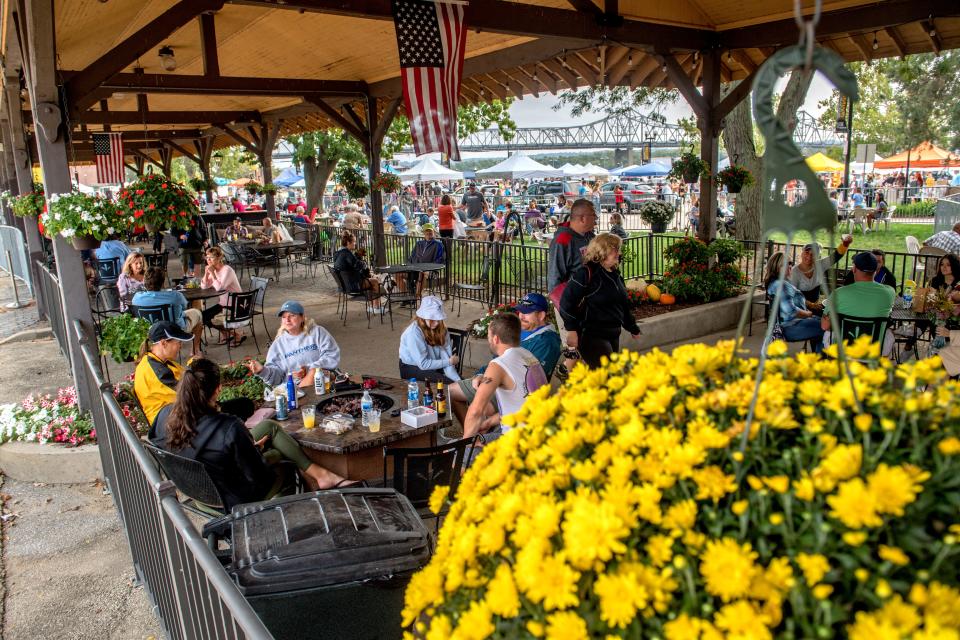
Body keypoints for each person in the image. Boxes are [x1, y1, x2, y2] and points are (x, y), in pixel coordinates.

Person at [150, 358, 346, 509]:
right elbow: (260, 478)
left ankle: (321, 475)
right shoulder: (228, 427)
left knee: (269, 426)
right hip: (231, 496)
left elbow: (157, 443)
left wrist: (249, 448)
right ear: (218, 390)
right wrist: (261, 453)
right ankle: (282, 525)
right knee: (285, 464)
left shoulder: (165, 414)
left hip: (195, 491)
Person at [134, 321, 254, 427]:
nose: (180, 346)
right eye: (178, 342)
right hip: (176, 425)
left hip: (183, 415)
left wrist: (196, 364)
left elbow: (186, 378)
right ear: (164, 343)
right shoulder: (156, 372)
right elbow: (189, 395)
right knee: (240, 409)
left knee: (243, 406)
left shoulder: (158, 361)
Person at [559, 233, 642, 368]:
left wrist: (632, 327)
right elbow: (566, 303)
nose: (618, 253)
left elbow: (623, 305)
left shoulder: (615, 274)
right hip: (592, 335)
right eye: (614, 249)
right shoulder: (586, 273)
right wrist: (572, 329)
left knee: (607, 378)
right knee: (608, 377)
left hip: (613, 333)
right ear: (602, 250)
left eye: (618, 249)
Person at [461, 313, 547, 440]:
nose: (488, 340)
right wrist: (488, 422)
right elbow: (520, 406)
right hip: (539, 433)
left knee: (451, 452)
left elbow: (476, 411)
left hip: (517, 441)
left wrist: (465, 446)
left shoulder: (498, 365)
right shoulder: (528, 355)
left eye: (488, 336)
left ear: (495, 339)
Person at [548, 198, 597, 378]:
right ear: (582, 218)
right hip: (569, 303)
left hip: (588, 302)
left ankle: (581, 382)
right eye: (593, 215)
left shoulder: (589, 235)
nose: (597, 218)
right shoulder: (563, 240)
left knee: (587, 345)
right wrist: (565, 310)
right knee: (573, 346)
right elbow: (554, 278)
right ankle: (566, 378)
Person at [246, 300, 340, 388]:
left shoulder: (317, 332)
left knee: (314, 372)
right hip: (293, 387)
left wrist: (308, 369)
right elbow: (276, 379)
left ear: (302, 317)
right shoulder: (278, 345)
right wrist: (262, 371)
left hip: (324, 379)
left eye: (292, 315)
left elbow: (331, 356)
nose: (287, 320)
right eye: (284, 317)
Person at [820, 252, 895, 353]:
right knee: (888, 336)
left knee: (828, 334)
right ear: (876, 271)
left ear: (854, 269)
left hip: (843, 351)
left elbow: (824, 326)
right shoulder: (889, 292)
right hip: (871, 350)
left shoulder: (838, 294)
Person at [132, 267, 205, 357]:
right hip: (176, 329)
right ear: (162, 283)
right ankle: (195, 351)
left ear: (145, 281)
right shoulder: (175, 296)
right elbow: (184, 306)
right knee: (197, 313)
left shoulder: (136, 298)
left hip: (150, 331)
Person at [763, 252, 825, 353]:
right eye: (788, 263)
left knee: (822, 323)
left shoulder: (775, 283)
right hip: (789, 327)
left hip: (785, 324)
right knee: (826, 327)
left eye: (791, 263)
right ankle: (822, 361)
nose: (791, 266)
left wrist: (810, 307)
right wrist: (809, 314)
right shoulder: (781, 285)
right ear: (778, 267)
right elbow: (792, 311)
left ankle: (818, 358)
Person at [398, 296, 460, 383]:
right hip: (412, 367)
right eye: (432, 319)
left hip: (434, 364)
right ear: (423, 317)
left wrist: (455, 377)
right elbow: (423, 364)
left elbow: (447, 354)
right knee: (448, 385)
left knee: (458, 384)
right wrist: (449, 362)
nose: (437, 322)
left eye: (438, 319)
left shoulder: (442, 328)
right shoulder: (413, 333)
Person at [788, 235, 854, 306]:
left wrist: (845, 244)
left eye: (814, 254)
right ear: (801, 253)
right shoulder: (794, 272)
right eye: (807, 252)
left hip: (816, 303)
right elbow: (793, 295)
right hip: (798, 306)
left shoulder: (820, 265)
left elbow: (835, 256)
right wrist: (810, 305)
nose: (809, 257)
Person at [199, 246, 243, 345]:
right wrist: (206, 274)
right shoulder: (213, 269)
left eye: (211, 257)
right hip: (224, 304)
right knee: (202, 316)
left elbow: (220, 288)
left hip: (236, 304)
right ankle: (226, 333)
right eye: (207, 257)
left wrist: (212, 274)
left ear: (219, 258)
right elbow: (204, 286)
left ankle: (236, 334)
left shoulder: (227, 270)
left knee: (208, 317)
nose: (208, 260)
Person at [333, 231, 383, 313]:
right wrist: (362, 261)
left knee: (370, 278)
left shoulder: (338, 253)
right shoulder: (347, 254)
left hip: (344, 285)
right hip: (353, 285)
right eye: (354, 242)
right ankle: (376, 307)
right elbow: (359, 266)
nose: (355, 244)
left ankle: (372, 306)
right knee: (375, 282)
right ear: (348, 242)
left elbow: (352, 265)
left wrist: (357, 257)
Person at [405, 224, 445, 297]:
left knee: (422, 274)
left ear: (434, 232)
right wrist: (408, 265)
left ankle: (416, 297)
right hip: (414, 268)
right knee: (398, 275)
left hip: (429, 269)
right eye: (427, 231)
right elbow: (412, 256)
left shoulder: (438, 244)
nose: (428, 233)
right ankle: (408, 295)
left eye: (430, 231)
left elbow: (440, 259)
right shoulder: (419, 243)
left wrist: (430, 269)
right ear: (424, 233)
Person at [178, 214, 207, 278]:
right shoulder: (179, 215)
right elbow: (173, 230)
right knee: (184, 262)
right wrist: (180, 236)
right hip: (184, 244)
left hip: (197, 243)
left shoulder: (197, 216)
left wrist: (205, 239)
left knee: (198, 262)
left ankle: (197, 280)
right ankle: (185, 277)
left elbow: (203, 228)